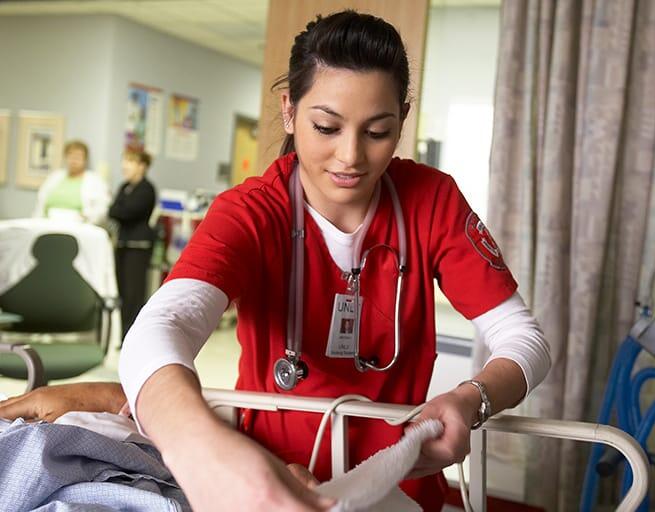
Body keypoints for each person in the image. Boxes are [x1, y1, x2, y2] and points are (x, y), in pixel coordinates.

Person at [1, 11, 551, 512]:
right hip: (269, 479)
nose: (351, 156)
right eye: (327, 127)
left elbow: (524, 340)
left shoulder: (432, 202)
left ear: (402, 120)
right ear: (289, 110)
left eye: (377, 131)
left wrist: (470, 398)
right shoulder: (250, 211)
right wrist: (203, 453)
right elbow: (160, 327)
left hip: (397, 488)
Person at [109, 147, 157, 343]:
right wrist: (119, 210)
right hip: (122, 244)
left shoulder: (147, 189)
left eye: (130, 161)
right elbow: (113, 211)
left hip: (139, 247)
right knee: (121, 292)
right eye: (124, 161)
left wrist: (120, 210)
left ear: (142, 166)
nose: (124, 166)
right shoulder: (124, 187)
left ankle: (132, 338)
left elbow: (127, 212)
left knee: (134, 295)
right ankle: (122, 335)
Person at [32, 140, 110, 225]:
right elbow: (40, 204)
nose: (74, 160)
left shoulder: (95, 180)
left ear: (85, 160)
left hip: (78, 228)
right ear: (65, 157)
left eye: (78, 156)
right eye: (71, 155)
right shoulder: (55, 177)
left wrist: (88, 217)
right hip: (47, 224)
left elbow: (102, 209)